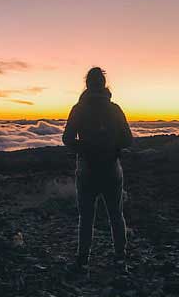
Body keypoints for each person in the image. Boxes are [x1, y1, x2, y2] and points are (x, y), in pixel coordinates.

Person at [62, 67, 133, 277]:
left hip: (87, 170)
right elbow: (128, 139)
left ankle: (82, 263)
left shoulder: (78, 109)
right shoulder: (115, 109)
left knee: (86, 218)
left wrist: (84, 149)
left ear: (87, 85)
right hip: (112, 169)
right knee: (116, 215)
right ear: (104, 85)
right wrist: (113, 148)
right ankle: (120, 261)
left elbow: (67, 139)